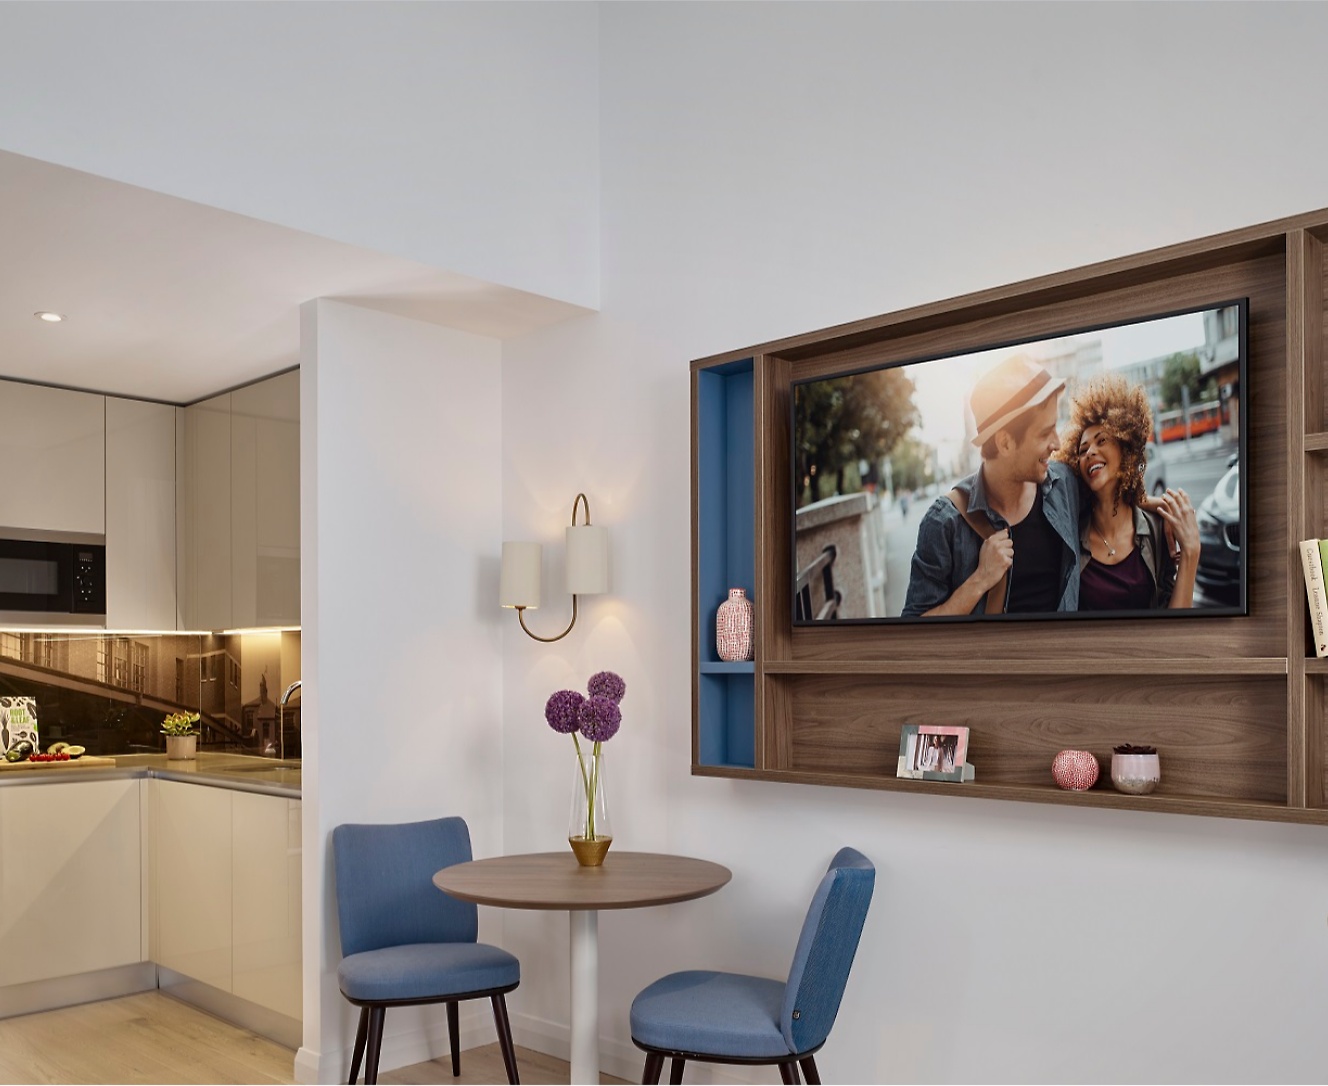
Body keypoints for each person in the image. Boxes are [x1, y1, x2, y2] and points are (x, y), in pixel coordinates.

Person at [903, 355, 1081, 616]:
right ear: (1005, 443)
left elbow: (1112, 503)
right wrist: (980, 580)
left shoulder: (1064, 484)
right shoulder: (944, 523)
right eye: (1045, 433)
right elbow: (912, 636)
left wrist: (1150, 506)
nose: (1057, 443)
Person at [1056, 375, 1199, 610]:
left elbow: (1176, 627)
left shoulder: (1157, 531)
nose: (1090, 451)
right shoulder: (1069, 536)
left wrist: (1191, 552)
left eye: (1102, 440)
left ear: (1126, 450)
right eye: (1083, 449)